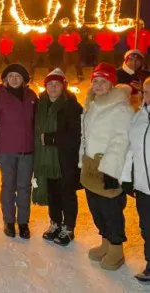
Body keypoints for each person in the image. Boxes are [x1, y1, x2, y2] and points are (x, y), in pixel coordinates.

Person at [80, 63, 133, 271]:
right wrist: (81, 162)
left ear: (112, 84)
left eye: (103, 81)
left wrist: (110, 172)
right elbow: (85, 136)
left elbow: (121, 141)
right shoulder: (92, 103)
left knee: (111, 210)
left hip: (108, 168)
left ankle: (116, 249)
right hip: (90, 166)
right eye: (95, 81)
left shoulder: (121, 108)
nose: (98, 85)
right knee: (96, 208)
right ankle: (105, 244)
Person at [33, 69, 83, 246]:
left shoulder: (72, 106)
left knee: (67, 193)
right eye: (50, 84)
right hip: (47, 160)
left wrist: (50, 138)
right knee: (52, 192)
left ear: (63, 86)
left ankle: (68, 227)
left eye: (57, 84)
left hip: (65, 159)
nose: (53, 87)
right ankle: (55, 222)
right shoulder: (40, 105)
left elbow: (76, 135)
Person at [0, 64, 38, 239]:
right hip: (7, 149)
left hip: (27, 150)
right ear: (5, 79)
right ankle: (9, 221)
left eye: (17, 76)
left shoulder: (32, 96)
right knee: (8, 186)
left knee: (25, 187)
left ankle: (23, 222)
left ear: (24, 80)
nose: (14, 79)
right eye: (10, 76)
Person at [121, 77, 150, 282]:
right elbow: (129, 151)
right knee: (147, 226)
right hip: (143, 186)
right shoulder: (138, 117)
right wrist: (126, 178)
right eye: (147, 91)